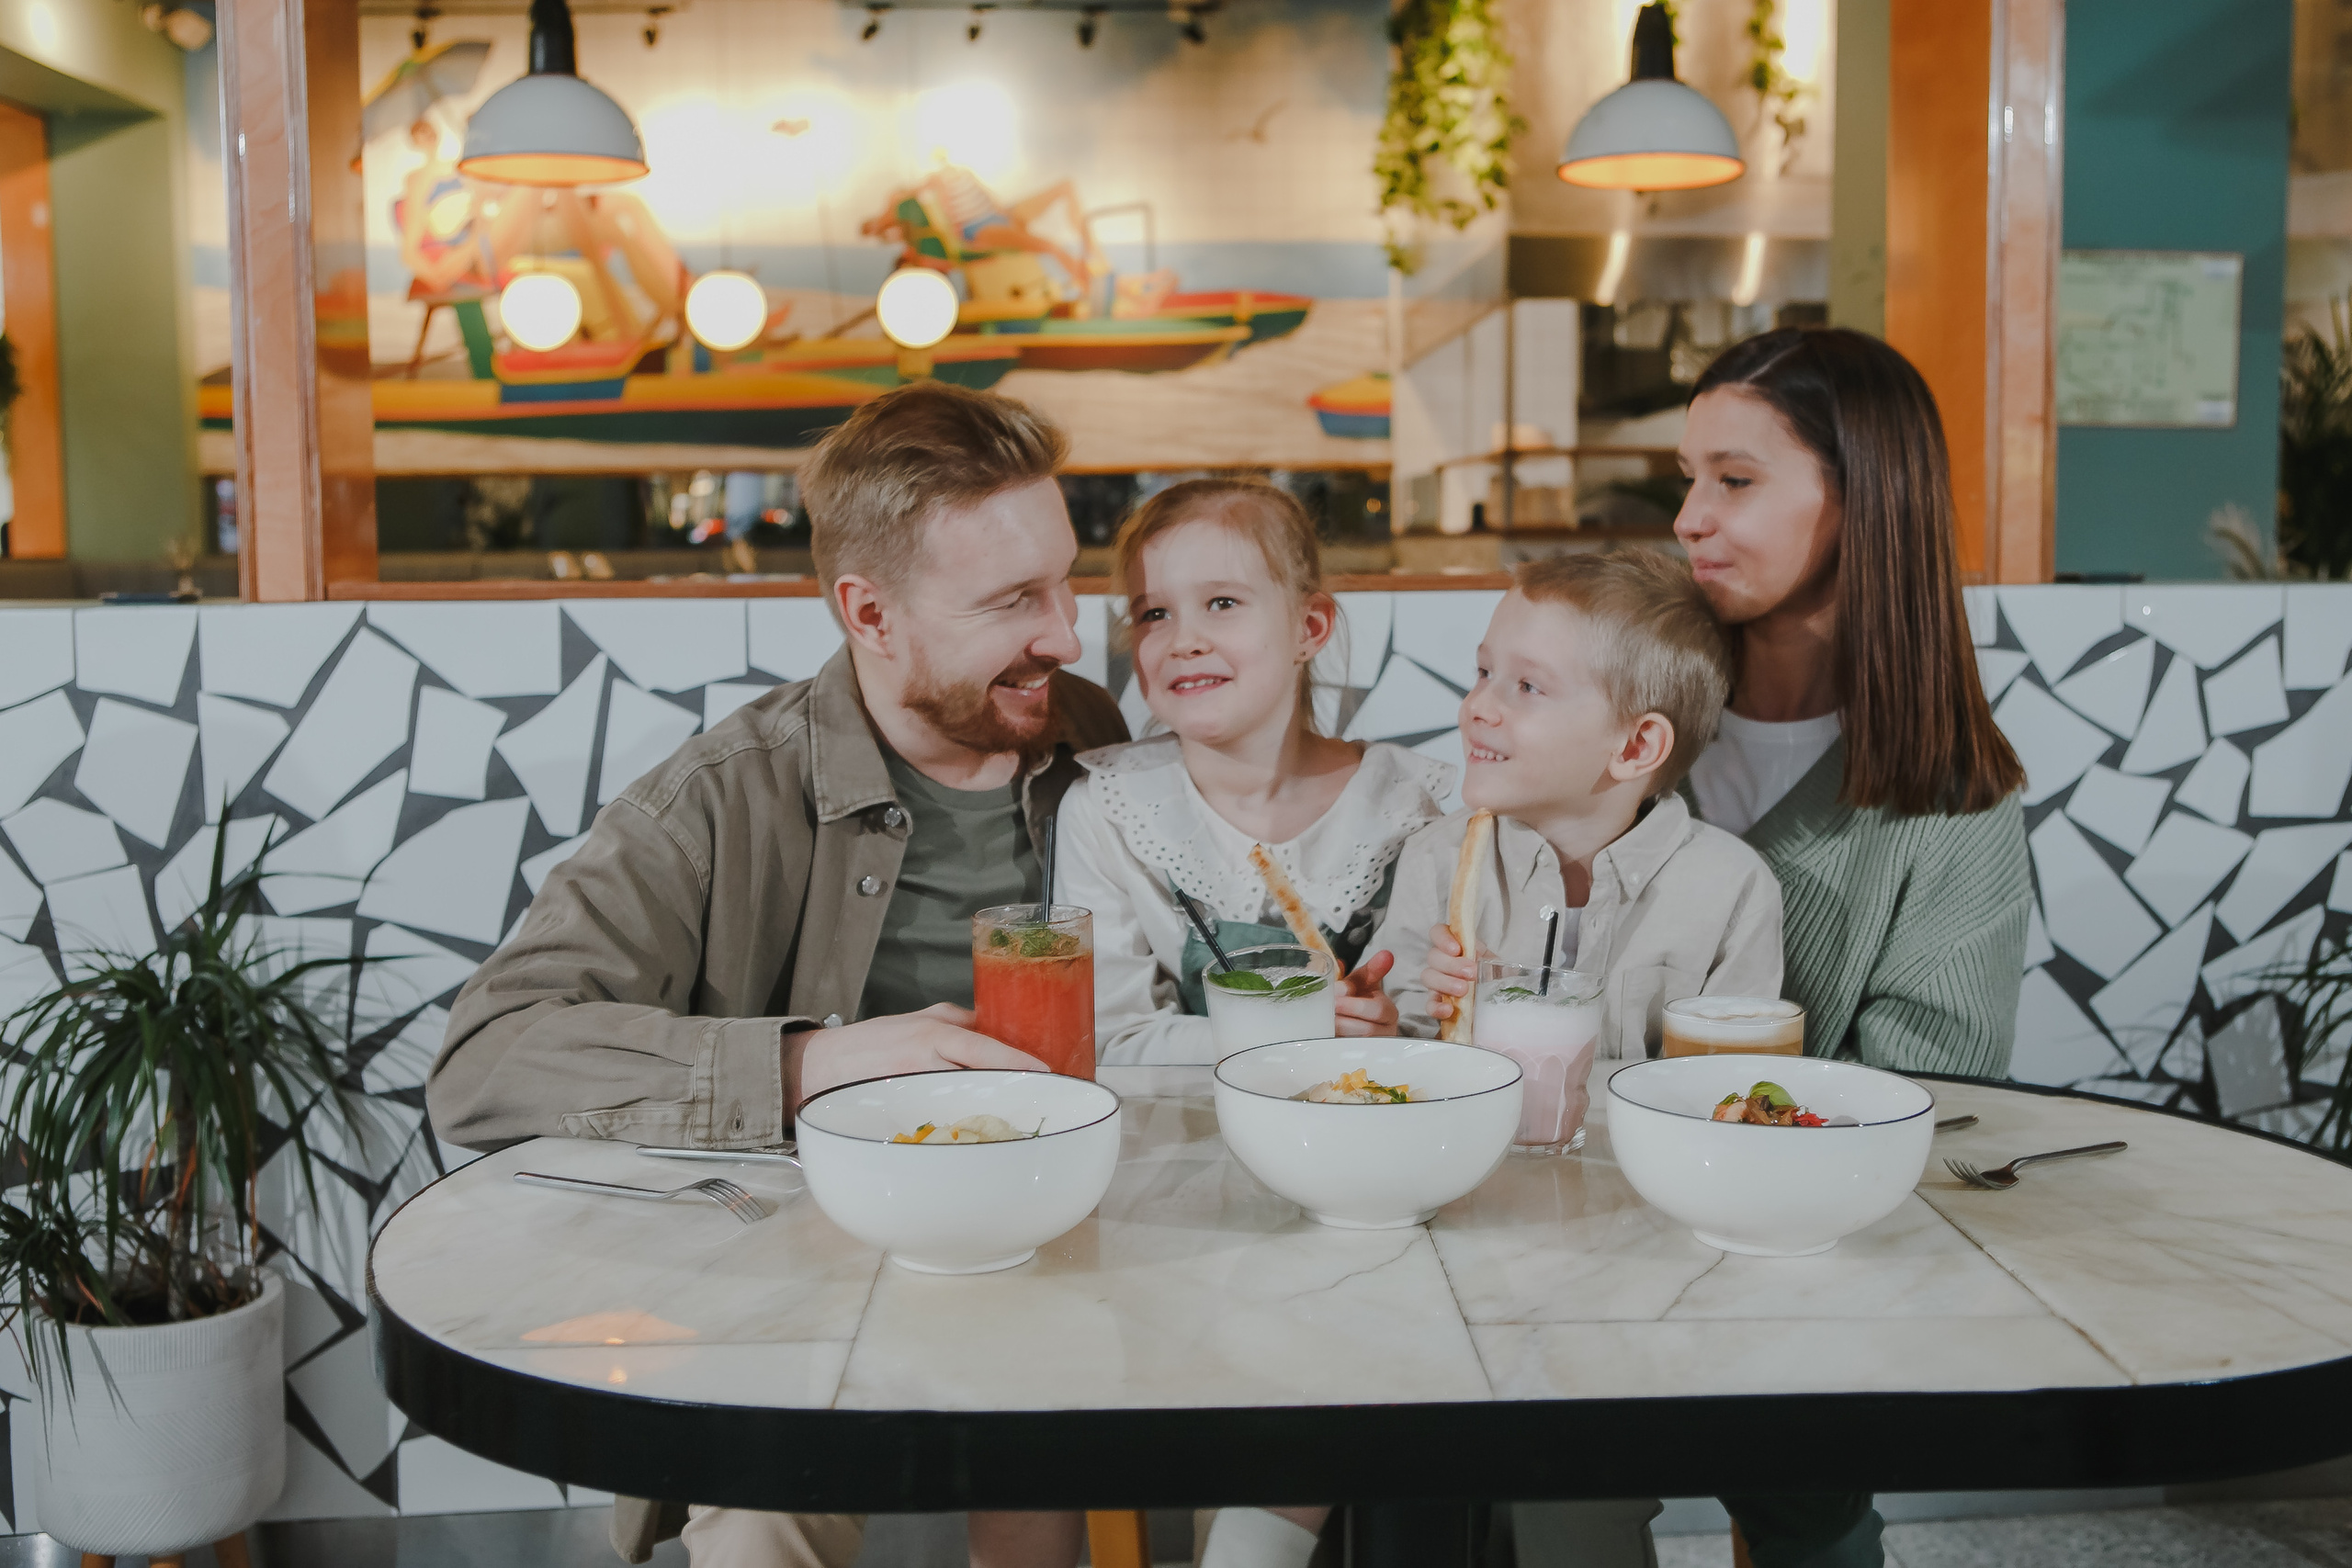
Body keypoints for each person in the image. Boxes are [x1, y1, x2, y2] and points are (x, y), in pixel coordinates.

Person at [426, 381, 1129, 1568]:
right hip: (807, 1265)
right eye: (1014, 600)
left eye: (1066, 581)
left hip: (1068, 1236)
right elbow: (485, 1064)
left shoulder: (1093, 738)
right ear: (870, 610)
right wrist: (811, 1059)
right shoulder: (721, 794)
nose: (1065, 633)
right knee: (761, 1517)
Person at [1667, 327, 2031, 1568]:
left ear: (1863, 496)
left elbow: (1939, 1095)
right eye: (1687, 479)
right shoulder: (1633, 719)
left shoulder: (1958, 801)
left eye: (1735, 478)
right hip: (1572, 1204)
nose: (1688, 518)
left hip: (1805, 1253)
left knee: (1804, 1504)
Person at [1057, 478, 1449, 1066]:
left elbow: (1431, 1022)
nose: (1184, 639)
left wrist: (1387, 1025)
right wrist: (1297, 1029)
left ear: (1308, 628)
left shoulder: (1409, 808)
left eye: (1222, 603)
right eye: (1154, 613)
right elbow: (1112, 1038)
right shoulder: (1104, 811)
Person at [1375, 551, 1784, 1056]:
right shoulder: (1434, 859)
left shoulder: (1734, 891)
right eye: (1483, 671)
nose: (1477, 706)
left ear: (1635, 747)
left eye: (1528, 686)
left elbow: (1728, 1086)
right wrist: (1390, 1026)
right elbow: (1401, 1057)